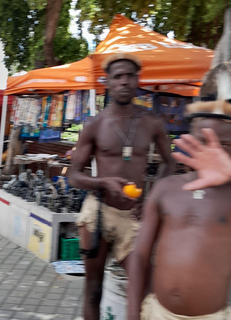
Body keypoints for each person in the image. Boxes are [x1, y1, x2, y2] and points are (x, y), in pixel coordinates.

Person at [68, 53, 175, 320]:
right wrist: (103, 182)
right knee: (93, 291)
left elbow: (171, 164)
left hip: (134, 216)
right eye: (118, 77)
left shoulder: (151, 122)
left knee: (145, 289)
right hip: (99, 213)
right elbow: (73, 175)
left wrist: (151, 200)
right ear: (108, 83)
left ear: (137, 80)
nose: (124, 81)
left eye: (130, 75)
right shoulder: (95, 125)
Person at [127, 105, 231, 319]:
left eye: (223, 145)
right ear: (189, 141)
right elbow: (139, 256)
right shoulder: (166, 188)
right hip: (158, 313)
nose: (212, 152)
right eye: (202, 142)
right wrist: (132, 312)